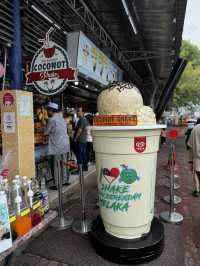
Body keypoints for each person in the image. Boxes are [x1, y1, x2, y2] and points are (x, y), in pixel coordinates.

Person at [44, 102, 70, 187]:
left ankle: (57, 184)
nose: (47, 112)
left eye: (48, 110)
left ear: (51, 110)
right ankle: (65, 180)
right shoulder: (62, 119)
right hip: (65, 145)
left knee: (56, 165)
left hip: (57, 146)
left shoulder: (51, 120)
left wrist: (42, 129)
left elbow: (46, 132)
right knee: (64, 164)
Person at [73, 107, 89, 171]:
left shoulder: (82, 119)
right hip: (84, 140)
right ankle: (85, 167)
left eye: (79, 111)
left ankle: (80, 169)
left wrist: (75, 138)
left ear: (83, 112)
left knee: (80, 155)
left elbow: (80, 130)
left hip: (80, 140)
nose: (78, 112)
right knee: (83, 154)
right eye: (77, 111)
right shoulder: (84, 119)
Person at [188, 118, 200, 197]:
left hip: (197, 156)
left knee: (196, 173)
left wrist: (190, 161)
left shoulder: (195, 129)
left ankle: (197, 190)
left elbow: (190, 145)